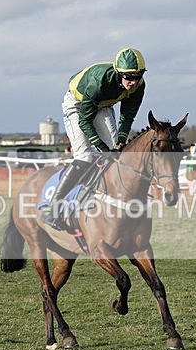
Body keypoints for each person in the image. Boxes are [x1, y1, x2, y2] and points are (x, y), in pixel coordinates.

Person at [42, 48, 147, 230]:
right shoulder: (99, 82)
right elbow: (84, 120)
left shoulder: (139, 86)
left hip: (103, 104)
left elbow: (127, 117)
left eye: (137, 76)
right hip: (78, 104)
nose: (133, 82)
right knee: (85, 156)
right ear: (118, 73)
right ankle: (53, 207)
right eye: (129, 77)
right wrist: (100, 146)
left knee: (116, 153)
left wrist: (120, 141)